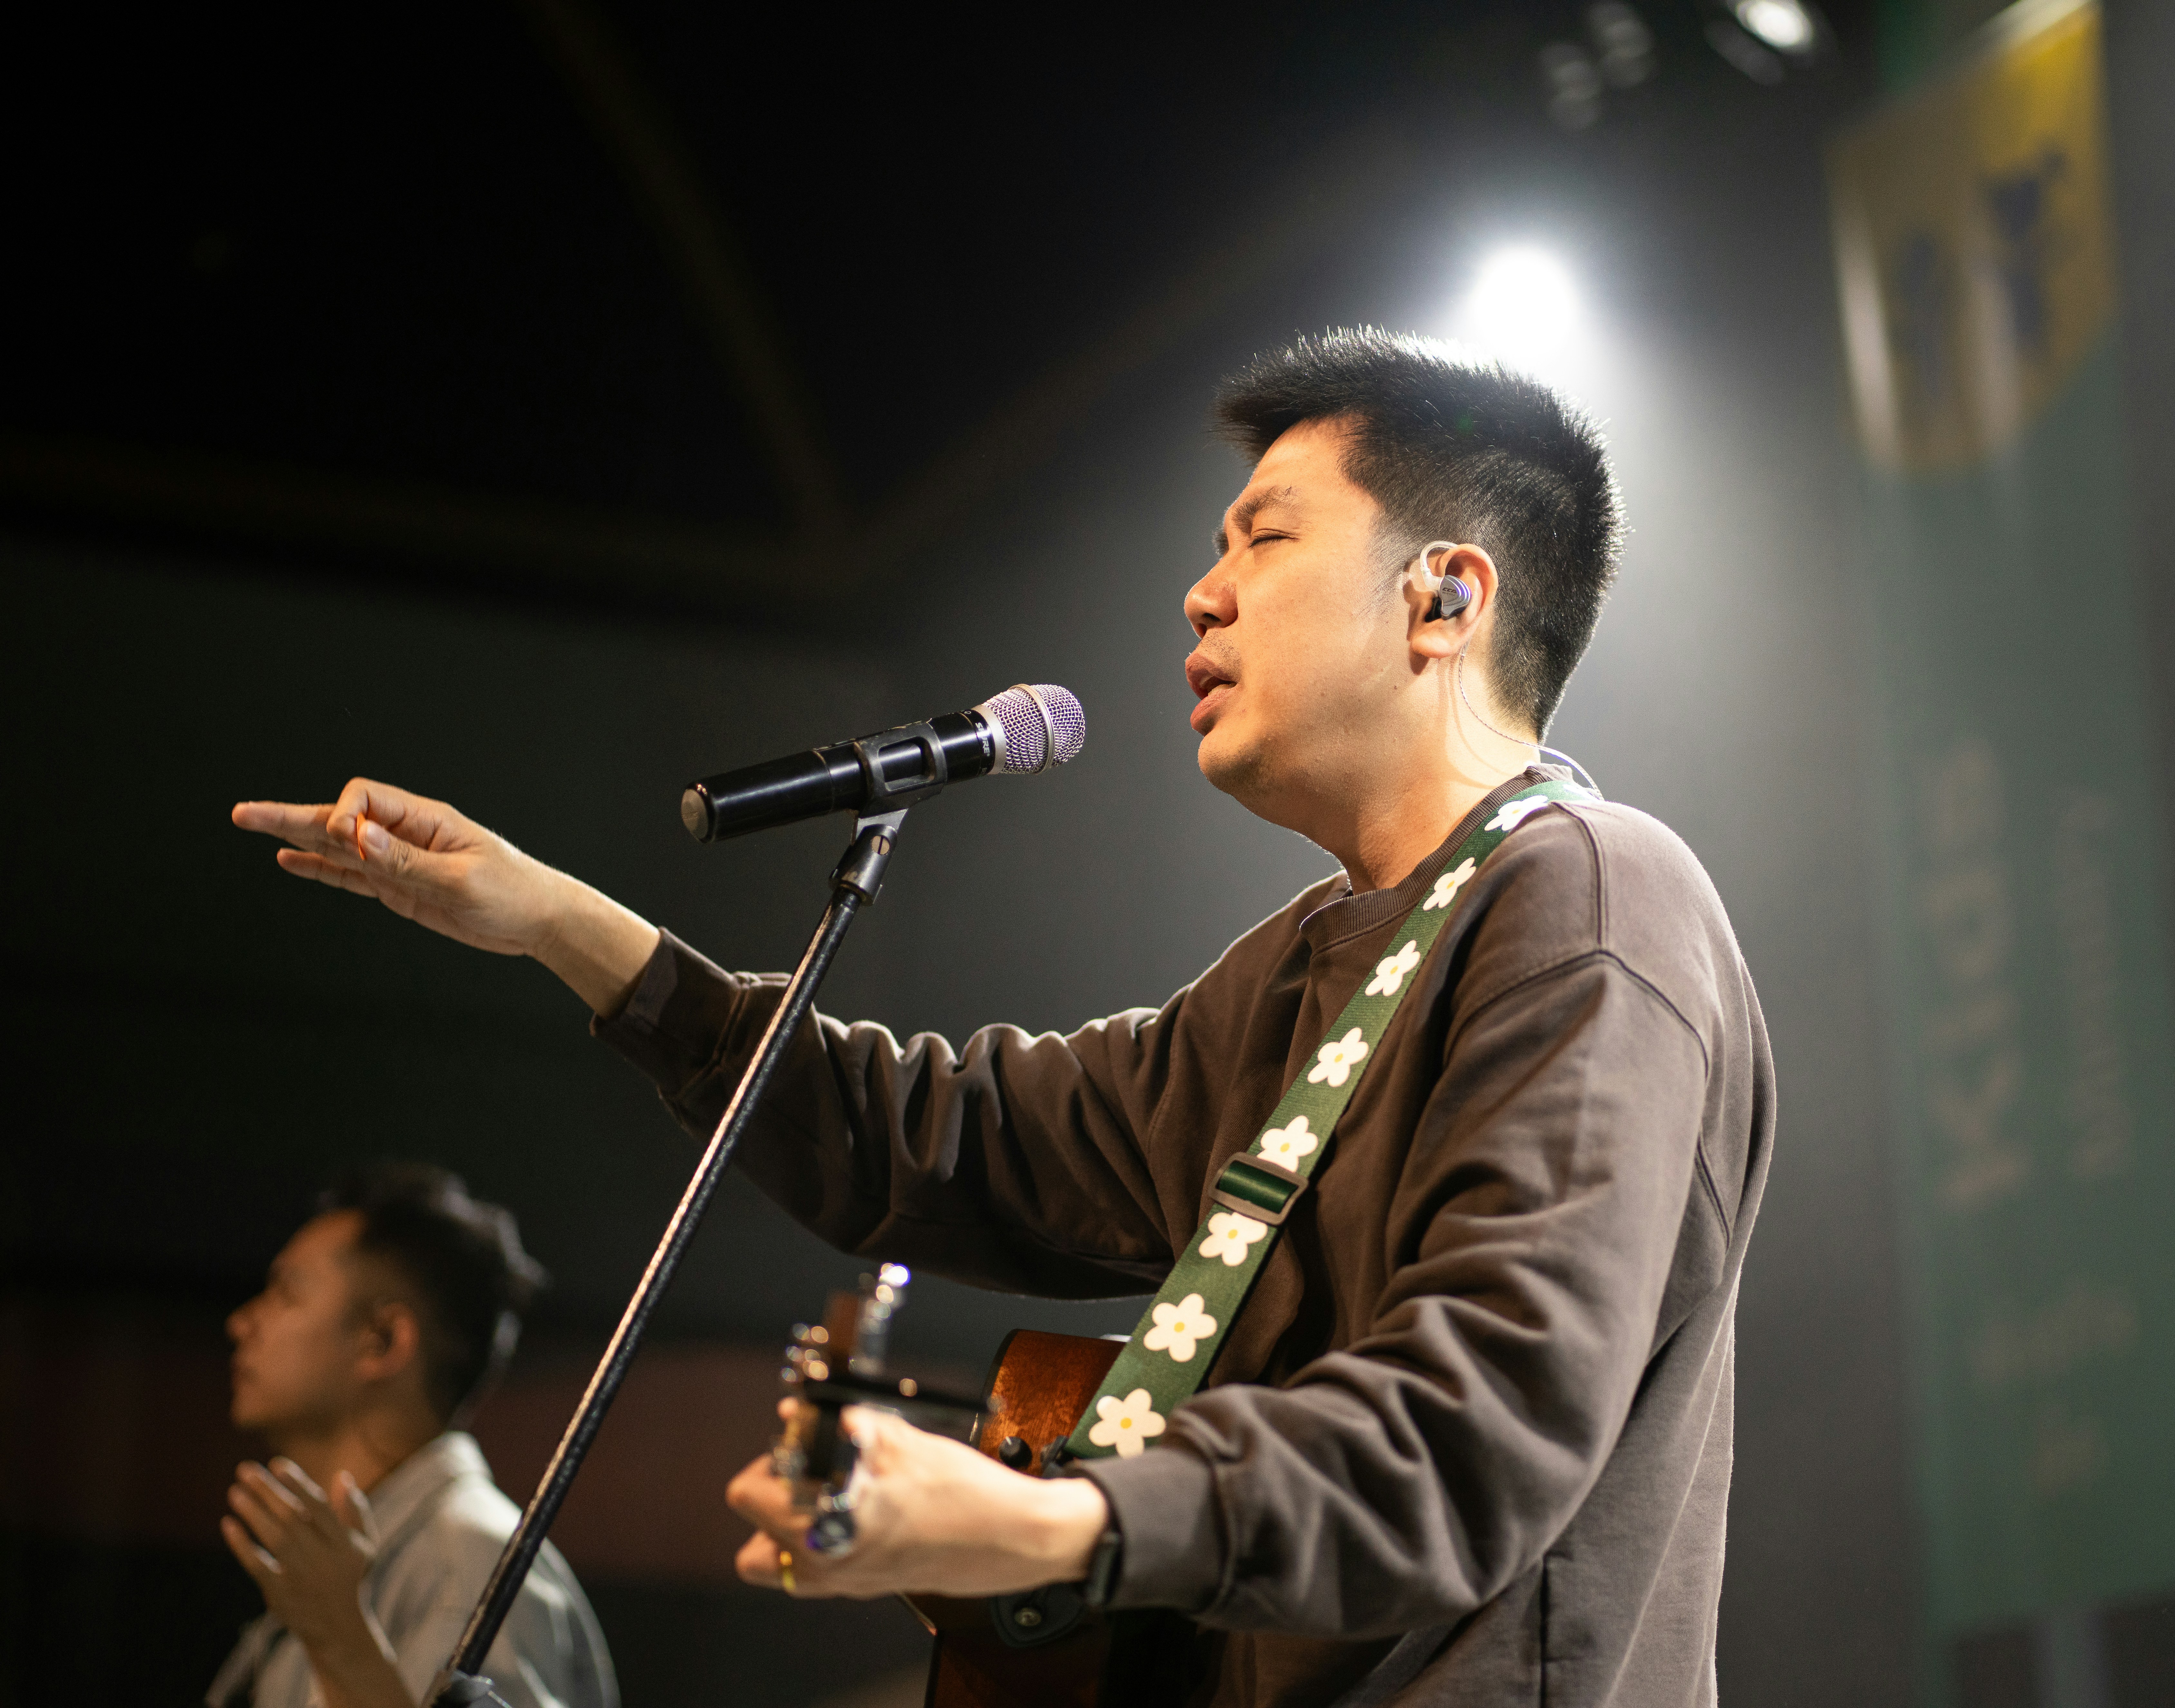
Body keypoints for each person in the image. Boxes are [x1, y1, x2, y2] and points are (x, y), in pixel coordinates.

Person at [233, 328, 1775, 1706]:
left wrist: (1056, 1520)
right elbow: (933, 1140)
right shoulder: (1299, 973)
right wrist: (555, 920)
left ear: (1443, 596)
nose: (1204, 588)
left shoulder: (1592, 896)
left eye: (1266, 532)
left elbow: (1484, 1418)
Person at [210, 1161, 617, 1708]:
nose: (242, 1322)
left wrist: (341, 1643)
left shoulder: (471, 1564)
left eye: (287, 1292)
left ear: (384, 1341)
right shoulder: (346, 1572)